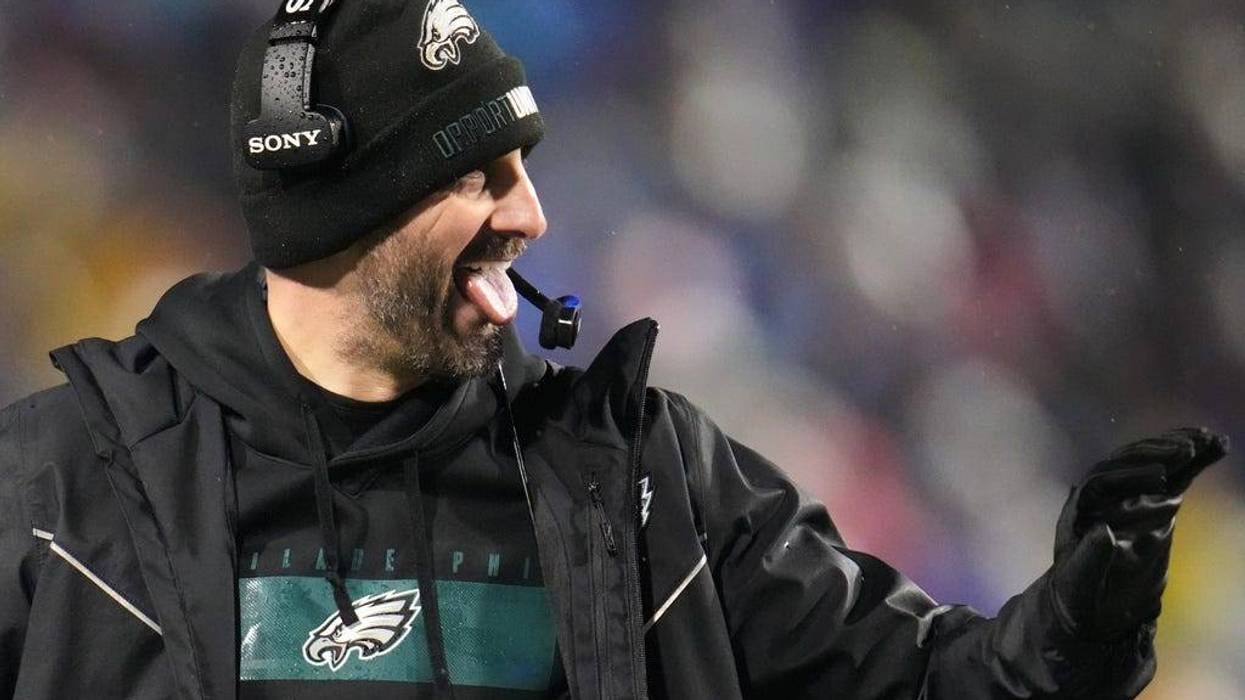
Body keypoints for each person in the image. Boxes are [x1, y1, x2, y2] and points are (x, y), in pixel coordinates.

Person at [0, 1, 1230, 698]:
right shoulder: (60, 495)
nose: (532, 215)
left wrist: (1072, 633)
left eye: (525, 169)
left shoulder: (648, 485)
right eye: (481, 174)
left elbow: (932, 686)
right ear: (351, 210)